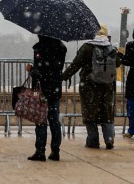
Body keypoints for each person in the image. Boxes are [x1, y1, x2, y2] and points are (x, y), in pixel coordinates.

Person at [62, 25, 118, 149]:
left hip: (89, 85)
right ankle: (109, 139)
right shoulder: (111, 48)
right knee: (106, 113)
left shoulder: (87, 47)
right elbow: (117, 63)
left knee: (89, 113)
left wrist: (64, 76)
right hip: (107, 86)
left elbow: (76, 64)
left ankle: (93, 141)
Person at [27, 34, 67, 162]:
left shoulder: (40, 48)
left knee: (41, 120)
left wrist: (31, 70)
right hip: (55, 88)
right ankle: (55, 151)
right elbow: (57, 68)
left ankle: (40, 151)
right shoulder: (61, 48)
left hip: (42, 90)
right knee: (54, 120)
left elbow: (39, 73)